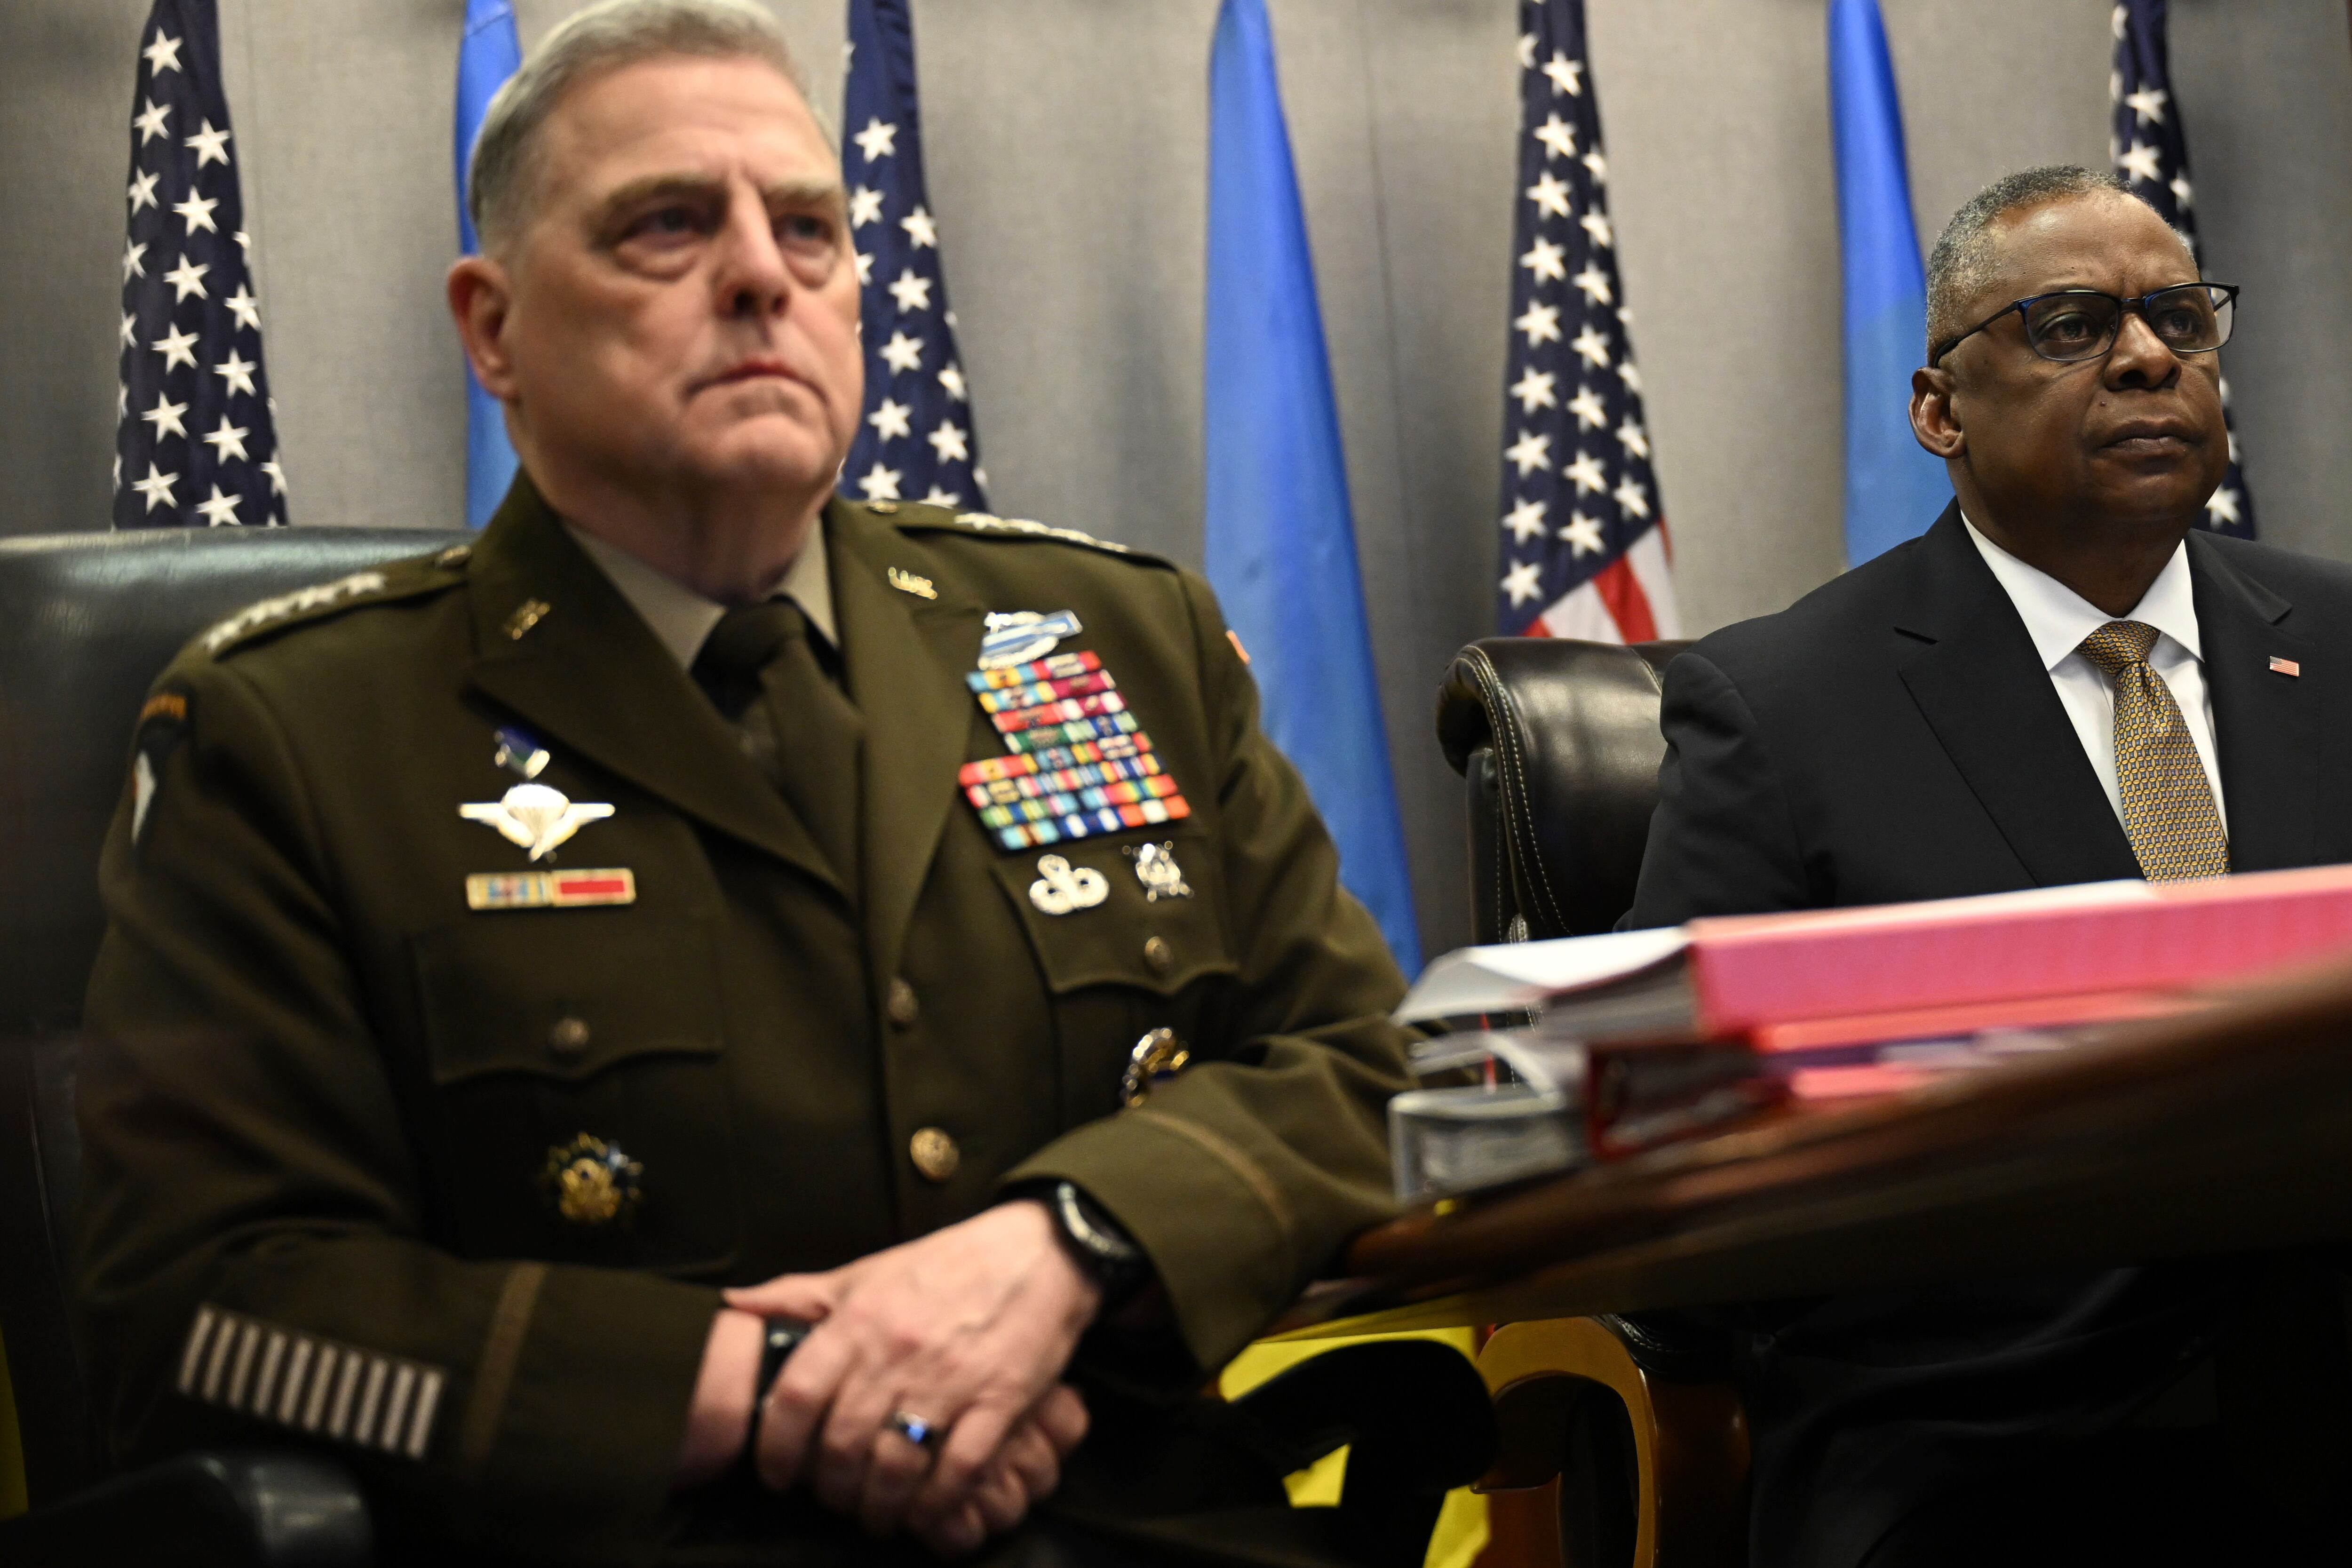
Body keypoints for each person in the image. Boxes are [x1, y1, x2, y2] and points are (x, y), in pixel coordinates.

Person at [73, 2, 1438, 1563]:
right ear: (494, 328)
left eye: (807, 228)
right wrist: (766, 1384)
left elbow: (1364, 1068)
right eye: (666, 225)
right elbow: (195, 1313)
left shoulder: (1113, 641)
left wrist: (1067, 1243)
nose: (760, 275)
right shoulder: (295, 735)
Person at [1624, 165, 2352, 1567]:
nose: (2149, 356)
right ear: (1940, 409)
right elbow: (1681, 1150)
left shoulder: (2343, 640)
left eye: (2180, 320)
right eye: (2073, 324)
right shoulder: (1783, 705)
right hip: (1991, 1451)